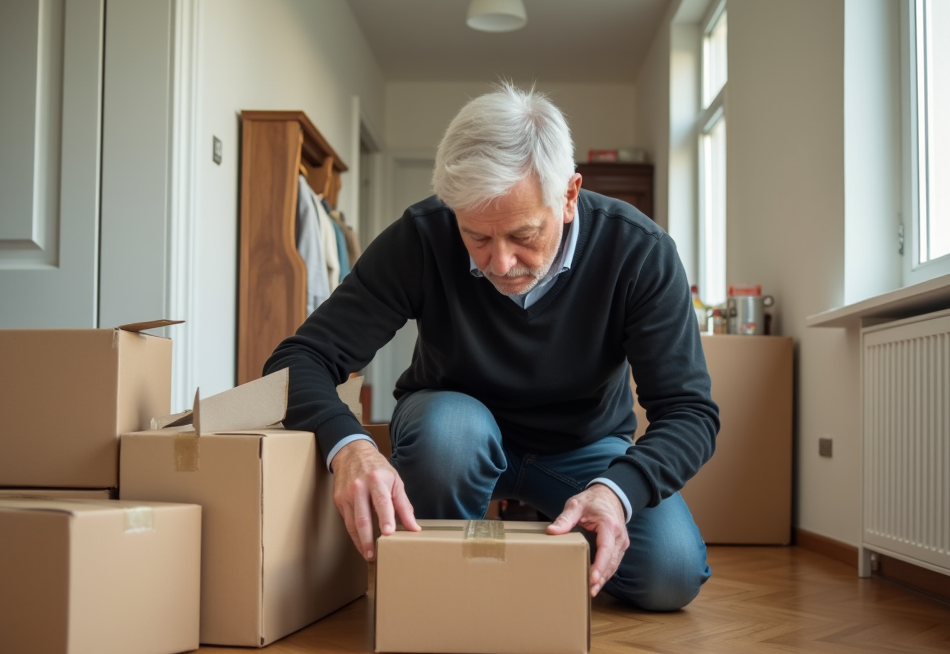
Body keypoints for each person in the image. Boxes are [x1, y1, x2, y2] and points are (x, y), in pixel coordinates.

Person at [264, 84, 719, 611]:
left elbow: (689, 412)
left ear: (569, 197)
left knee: (672, 573)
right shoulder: (423, 236)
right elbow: (298, 359)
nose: (499, 263)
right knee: (453, 433)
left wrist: (619, 491)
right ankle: (434, 583)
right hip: (451, 437)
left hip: (583, 450)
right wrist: (350, 446)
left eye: (523, 235)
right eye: (476, 236)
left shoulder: (639, 252)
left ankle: (534, 559)